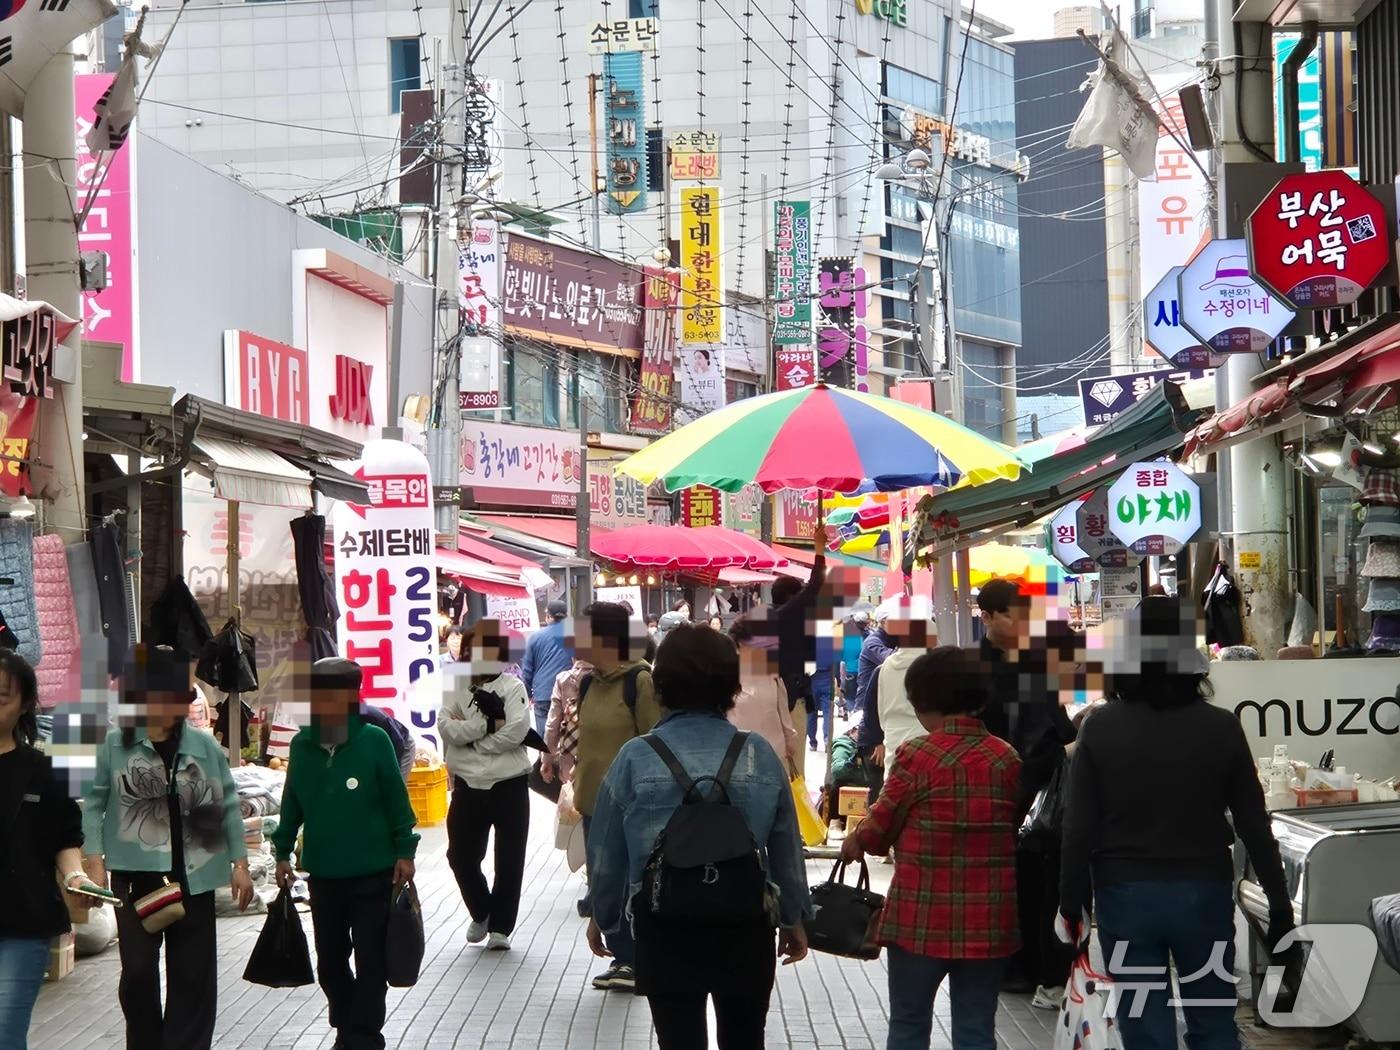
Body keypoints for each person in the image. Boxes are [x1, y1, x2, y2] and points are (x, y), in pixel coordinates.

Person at [1059, 597, 1293, 1050]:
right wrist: (1278, 901)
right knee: (1212, 1016)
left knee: (1144, 1023)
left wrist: (1070, 900)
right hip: (1202, 894)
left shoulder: (1100, 729)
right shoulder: (1220, 727)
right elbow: (1252, 821)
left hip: (1124, 897)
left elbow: (1078, 826)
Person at [586, 623, 811, 1048]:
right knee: (745, 1038)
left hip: (663, 922)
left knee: (678, 1039)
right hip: (744, 922)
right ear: (731, 685)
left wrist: (604, 913)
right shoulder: (758, 753)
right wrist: (795, 916)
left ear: (661, 685)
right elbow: (786, 844)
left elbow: (606, 850)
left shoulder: (635, 757)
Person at [843, 647, 1020, 1050]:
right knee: (976, 1030)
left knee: (908, 1023)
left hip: (919, 919)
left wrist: (857, 839)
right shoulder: (1005, 758)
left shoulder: (916, 755)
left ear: (923, 701)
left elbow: (878, 832)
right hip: (988, 919)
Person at [83, 645, 253, 1050]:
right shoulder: (114, 745)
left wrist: (240, 863)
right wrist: (94, 860)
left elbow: (227, 804)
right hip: (135, 876)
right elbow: (92, 804)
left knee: (192, 977)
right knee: (138, 973)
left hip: (195, 875)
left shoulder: (203, 745)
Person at [273, 658, 419, 1050]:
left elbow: (396, 800)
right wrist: (282, 851)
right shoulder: (302, 746)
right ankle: (346, 1020)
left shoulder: (374, 740)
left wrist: (405, 850)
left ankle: (363, 1037)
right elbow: (292, 803)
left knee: (372, 960)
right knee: (331, 962)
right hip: (324, 874)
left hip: (374, 872)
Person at [975, 579, 1076, 1002]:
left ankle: (1043, 967)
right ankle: (1014, 968)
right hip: (1000, 792)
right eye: (1013, 614)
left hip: (1041, 791)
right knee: (1008, 882)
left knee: (1043, 881)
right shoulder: (976, 668)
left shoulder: (1036, 660)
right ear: (990, 617)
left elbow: (1053, 721)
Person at [574, 601, 663, 992]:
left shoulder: (640, 681)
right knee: (602, 878)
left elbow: (655, 741)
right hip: (593, 801)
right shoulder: (588, 682)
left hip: (631, 805)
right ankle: (621, 956)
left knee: (630, 878)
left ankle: (634, 959)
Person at [0, 652, 87, 1048]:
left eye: (2, 696)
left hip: (23, 919)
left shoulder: (45, 770)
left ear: (24, 704)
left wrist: (75, 875)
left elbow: (66, 838)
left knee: (6, 1028)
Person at [440, 620, 532, 951]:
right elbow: (445, 727)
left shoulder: (513, 687)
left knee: (509, 859)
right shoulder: (457, 684)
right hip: (467, 784)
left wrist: (474, 740)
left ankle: (501, 928)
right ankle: (481, 911)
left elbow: (517, 731)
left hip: (509, 783)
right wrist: (485, 728)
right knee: (460, 855)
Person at [728, 618, 802, 777]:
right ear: (740, 644)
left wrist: (790, 742)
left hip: (773, 757)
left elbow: (784, 719)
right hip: (737, 758)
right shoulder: (727, 678)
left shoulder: (773, 677)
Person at [520, 600, 574, 736]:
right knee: (569, 735)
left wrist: (527, 694)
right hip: (570, 693)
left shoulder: (535, 637)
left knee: (545, 736)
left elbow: (527, 670)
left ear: (549, 616)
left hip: (543, 693)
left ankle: (545, 757)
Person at [541, 656, 594, 789]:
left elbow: (552, 725)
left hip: (569, 754)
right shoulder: (605, 679)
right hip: (597, 756)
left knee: (570, 800)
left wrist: (546, 760)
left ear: (573, 658)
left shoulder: (563, 679)